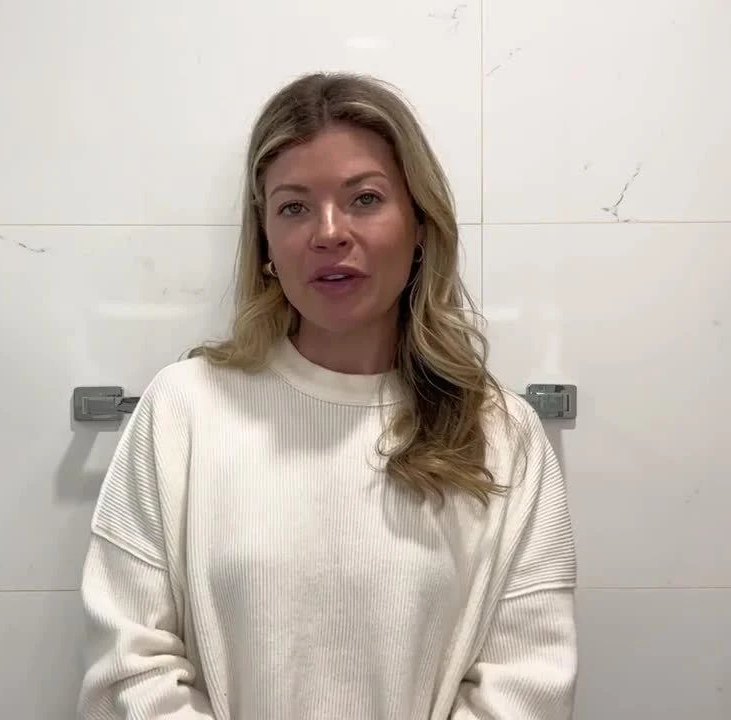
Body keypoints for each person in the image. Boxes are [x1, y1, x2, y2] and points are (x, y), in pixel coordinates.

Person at [77, 72, 578, 720]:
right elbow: (127, 668)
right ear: (266, 240)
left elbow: (527, 683)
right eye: (294, 207)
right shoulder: (182, 410)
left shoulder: (501, 433)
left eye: (365, 199)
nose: (329, 233)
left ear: (420, 226)